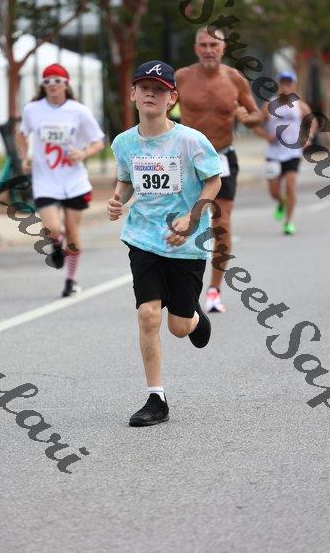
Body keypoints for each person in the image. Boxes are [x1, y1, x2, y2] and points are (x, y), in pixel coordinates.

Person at [107, 60, 221, 427]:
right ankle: (156, 398)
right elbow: (127, 181)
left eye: (159, 90)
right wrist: (117, 200)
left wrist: (192, 217)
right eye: (144, 88)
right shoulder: (124, 143)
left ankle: (193, 318)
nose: (150, 94)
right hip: (143, 237)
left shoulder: (191, 140)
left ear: (172, 98)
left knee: (178, 327)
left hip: (186, 244)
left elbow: (214, 181)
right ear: (133, 94)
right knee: (147, 314)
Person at [175, 27, 262, 313]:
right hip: (187, 161)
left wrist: (247, 118)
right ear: (196, 48)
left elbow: (256, 115)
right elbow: (160, 108)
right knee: (183, 224)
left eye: (214, 44)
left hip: (222, 158)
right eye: (203, 45)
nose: (209, 50)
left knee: (221, 224)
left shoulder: (234, 79)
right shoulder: (182, 77)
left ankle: (214, 290)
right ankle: (182, 287)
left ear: (223, 48)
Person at [17, 64, 104, 296]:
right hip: (45, 179)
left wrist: (84, 153)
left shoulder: (79, 111)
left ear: (66, 84)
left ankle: (71, 280)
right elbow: (21, 134)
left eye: (57, 81)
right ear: (42, 85)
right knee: (53, 228)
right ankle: (56, 243)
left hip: (74, 181)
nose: (52, 85)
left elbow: (98, 141)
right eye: (47, 81)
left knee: (73, 234)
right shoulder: (33, 109)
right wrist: (25, 156)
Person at [253, 71, 316, 235]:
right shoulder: (269, 105)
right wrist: (266, 136)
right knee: (274, 191)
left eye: (289, 83)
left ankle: (288, 222)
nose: (286, 86)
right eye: (283, 83)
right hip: (273, 154)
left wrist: (308, 137)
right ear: (278, 85)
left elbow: (312, 122)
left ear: (294, 86)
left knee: (290, 183)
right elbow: (255, 125)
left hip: (292, 153)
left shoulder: (300, 106)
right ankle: (281, 202)